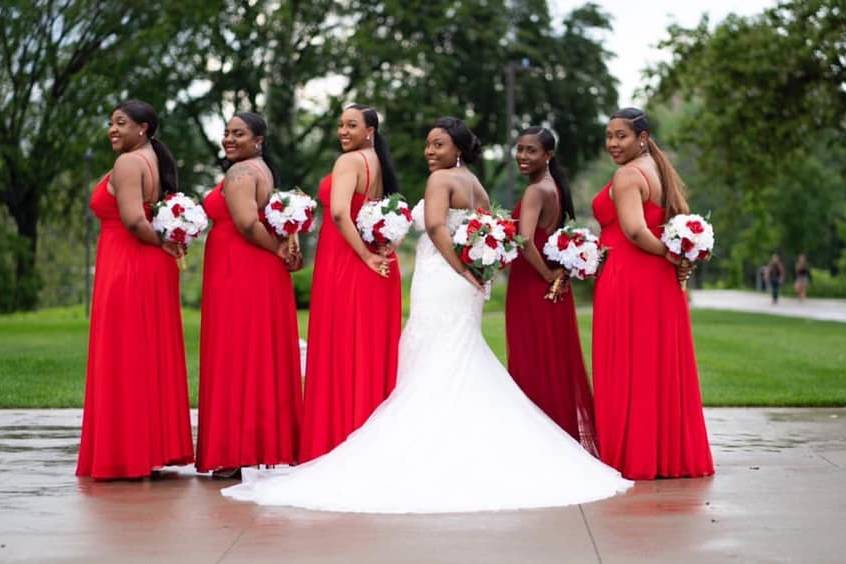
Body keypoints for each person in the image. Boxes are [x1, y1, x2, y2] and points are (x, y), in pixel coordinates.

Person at [221, 117, 631, 513]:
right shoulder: (476, 184)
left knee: (432, 354)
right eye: (429, 144)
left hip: (444, 276)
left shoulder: (440, 181)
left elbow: (435, 227)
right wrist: (477, 269)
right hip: (465, 283)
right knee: (457, 354)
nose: (429, 151)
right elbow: (492, 228)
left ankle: (427, 444)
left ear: (456, 149)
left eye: (439, 144)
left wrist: (460, 268)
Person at [591, 107, 714, 480]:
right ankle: (663, 456)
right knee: (656, 365)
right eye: (609, 136)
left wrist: (669, 252)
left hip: (630, 277)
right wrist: (673, 258)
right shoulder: (659, 170)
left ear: (641, 138)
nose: (613, 143)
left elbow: (633, 231)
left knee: (629, 364)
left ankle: (632, 457)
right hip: (658, 281)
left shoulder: (628, 174)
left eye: (621, 136)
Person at [76, 100, 194, 479]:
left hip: (128, 265)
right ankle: (149, 448)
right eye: (110, 122)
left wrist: (161, 242)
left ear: (142, 128)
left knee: (123, 354)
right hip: (147, 266)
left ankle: (125, 455)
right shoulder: (150, 159)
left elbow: (133, 220)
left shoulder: (129, 163)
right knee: (145, 353)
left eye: (121, 123)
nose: (112, 129)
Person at [196, 113, 303, 479]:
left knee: (233, 353)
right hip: (251, 269)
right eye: (226, 132)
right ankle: (253, 444)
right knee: (253, 352)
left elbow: (246, 223)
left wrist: (276, 250)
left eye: (238, 134)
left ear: (258, 139)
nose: (229, 139)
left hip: (240, 269)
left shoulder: (241, 173)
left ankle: (232, 451)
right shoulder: (260, 169)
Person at [298, 104, 403, 462]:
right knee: (367, 351)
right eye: (341, 125)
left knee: (342, 347)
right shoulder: (378, 164)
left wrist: (365, 255)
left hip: (347, 263)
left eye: (351, 125)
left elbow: (341, 213)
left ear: (370, 129)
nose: (343, 131)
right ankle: (368, 437)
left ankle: (339, 438)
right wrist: (379, 253)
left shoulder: (349, 162)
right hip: (375, 266)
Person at [505, 126, 597, 452]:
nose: (523, 156)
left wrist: (546, 276)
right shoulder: (553, 186)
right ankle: (557, 442)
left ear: (548, 155)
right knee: (551, 364)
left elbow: (526, 240)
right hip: (549, 291)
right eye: (519, 149)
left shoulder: (535, 191)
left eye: (531, 150)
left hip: (534, 286)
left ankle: (538, 446)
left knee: (532, 362)